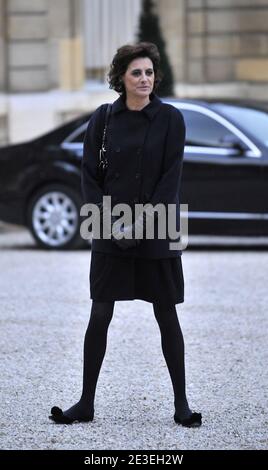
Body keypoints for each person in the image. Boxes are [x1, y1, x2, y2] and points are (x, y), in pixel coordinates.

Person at [49, 42, 202, 427]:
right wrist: (110, 222)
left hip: (159, 222)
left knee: (166, 312)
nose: (145, 79)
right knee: (100, 312)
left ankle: (181, 405)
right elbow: (89, 175)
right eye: (136, 72)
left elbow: (172, 179)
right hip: (109, 223)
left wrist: (141, 224)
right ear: (120, 78)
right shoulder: (102, 119)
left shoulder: (171, 119)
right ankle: (85, 403)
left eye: (149, 72)